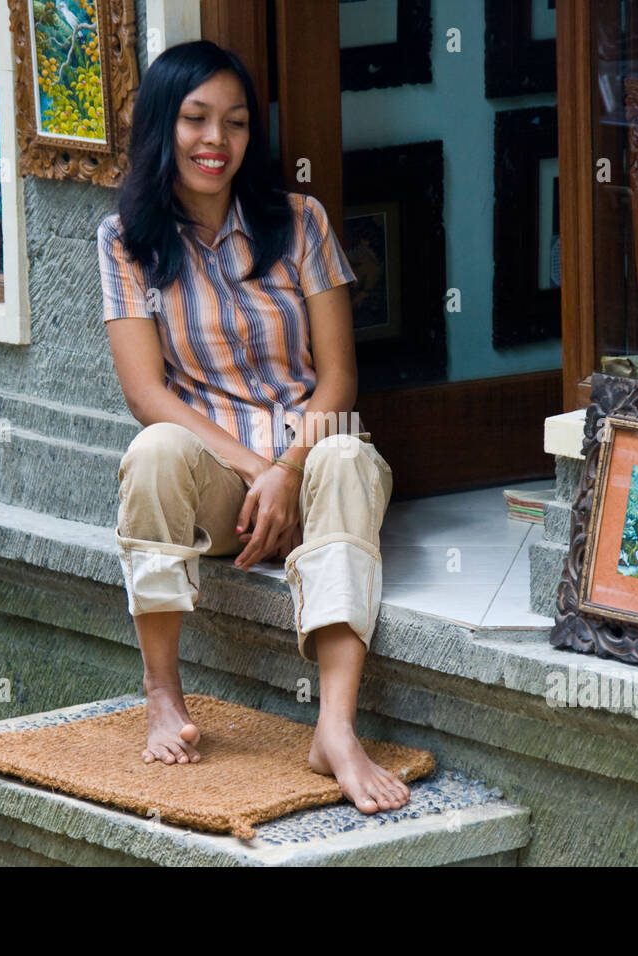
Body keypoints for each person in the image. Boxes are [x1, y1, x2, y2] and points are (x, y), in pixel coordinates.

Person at [96, 40, 408, 814]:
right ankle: (163, 692)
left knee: (345, 451)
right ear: (164, 126)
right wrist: (254, 469)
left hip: (308, 470)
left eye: (235, 123)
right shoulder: (125, 241)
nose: (216, 141)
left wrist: (290, 467)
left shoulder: (299, 221)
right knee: (155, 449)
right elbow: (146, 393)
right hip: (222, 490)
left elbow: (338, 376)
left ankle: (334, 727)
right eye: (196, 120)